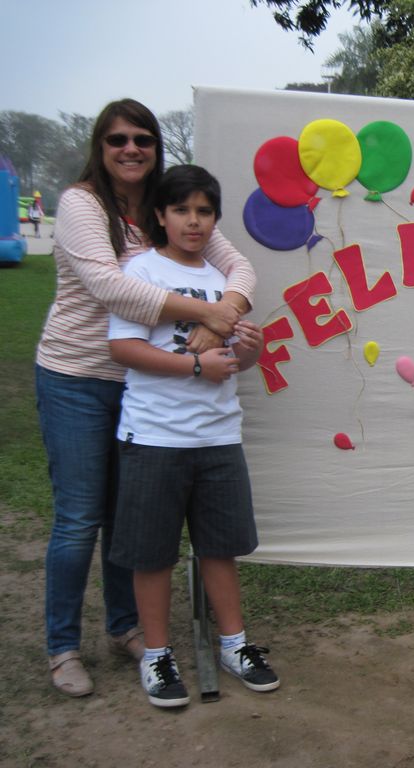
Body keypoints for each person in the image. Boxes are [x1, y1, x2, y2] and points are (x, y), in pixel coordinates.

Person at [36, 99, 256, 698]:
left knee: (125, 518)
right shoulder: (83, 204)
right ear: (100, 147)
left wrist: (229, 309)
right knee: (80, 517)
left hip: (147, 388)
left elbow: (239, 269)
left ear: (156, 148)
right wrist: (207, 316)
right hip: (79, 376)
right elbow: (111, 289)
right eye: (118, 140)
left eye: (143, 139)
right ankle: (62, 648)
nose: (131, 149)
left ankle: (126, 628)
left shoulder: (168, 203)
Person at [108, 164, 278, 708]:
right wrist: (195, 366)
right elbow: (123, 348)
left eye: (204, 211)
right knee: (152, 555)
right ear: (159, 215)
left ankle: (235, 645)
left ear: (215, 220)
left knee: (220, 549)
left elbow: (235, 362)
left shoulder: (225, 285)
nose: (193, 221)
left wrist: (247, 351)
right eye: (181, 210)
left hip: (218, 437)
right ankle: (157, 656)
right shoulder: (140, 270)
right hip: (155, 437)